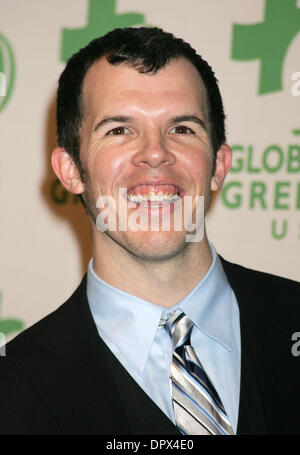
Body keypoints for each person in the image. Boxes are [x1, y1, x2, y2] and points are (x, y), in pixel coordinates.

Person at [0, 27, 299, 435]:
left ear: (219, 166)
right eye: (119, 130)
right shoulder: (11, 391)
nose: (156, 153)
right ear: (70, 170)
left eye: (182, 129)